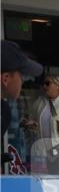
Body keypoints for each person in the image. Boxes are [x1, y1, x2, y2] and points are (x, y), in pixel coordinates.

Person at [2, 41, 43, 171]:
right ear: (6, 78)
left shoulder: (3, 110)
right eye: (22, 76)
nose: (23, 81)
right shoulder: (3, 111)